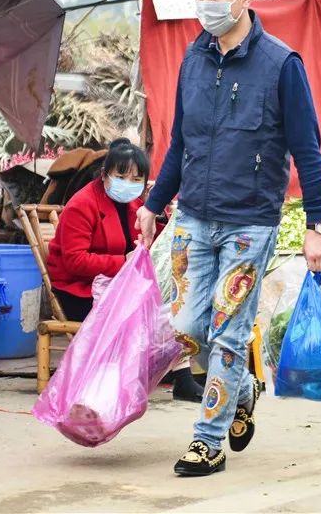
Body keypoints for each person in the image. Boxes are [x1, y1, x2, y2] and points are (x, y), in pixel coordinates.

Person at [136, 0, 321, 477]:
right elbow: (180, 142)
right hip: (193, 218)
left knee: (227, 330)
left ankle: (207, 442)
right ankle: (243, 389)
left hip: (250, 222)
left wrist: (318, 225)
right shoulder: (193, 60)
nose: (207, 3)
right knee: (187, 327)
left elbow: (308, 151)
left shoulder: (281, 64)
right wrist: (154, 204)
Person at [46, 138, 204, 402]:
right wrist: (123, 261)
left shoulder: (135, 205)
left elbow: (151, 241)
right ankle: (143, 380)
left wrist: (160, 214)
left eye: (136, 179)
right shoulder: (81, 204)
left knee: (176, 303)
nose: (128, 184)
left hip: (116, 283)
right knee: (147, 312)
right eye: (121, 175)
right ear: (105, 174)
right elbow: (75, 261)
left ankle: (181, 378)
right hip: (79, 290)